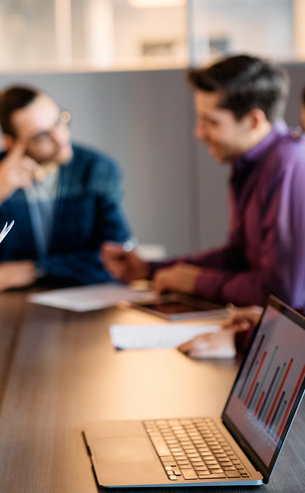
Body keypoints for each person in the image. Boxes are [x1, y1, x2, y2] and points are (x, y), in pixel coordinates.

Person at [103, 55, 305, 312]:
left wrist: (197, 282)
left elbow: (283, 294)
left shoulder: (289, 166)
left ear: (253, 121)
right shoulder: (249, 164)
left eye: (211, 122)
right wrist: (149, 269)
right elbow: (237, 258)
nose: (198, 132)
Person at [0, 85, 131, 294]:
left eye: (59, 121)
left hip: (84, 298)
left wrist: (35, 270)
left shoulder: (97, 169)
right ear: (10, 143)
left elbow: (119, 260)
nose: (61, 138)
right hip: (11, 303)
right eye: (41, 136)